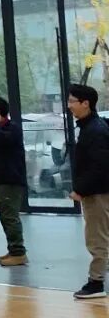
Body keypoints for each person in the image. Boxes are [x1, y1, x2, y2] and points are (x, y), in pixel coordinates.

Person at [66, 84, 109, 299]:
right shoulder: (90, 127)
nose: (69, 105)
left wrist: (80, 190)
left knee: (96, 238)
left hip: (97, 193)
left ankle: (96, 283)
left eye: (72, 101)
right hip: (97, 190)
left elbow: (100, 165)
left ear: (86, 104)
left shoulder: (95, 130)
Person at [0, 96, 28, 266]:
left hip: (11, 180)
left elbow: (0, 140)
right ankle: (13, 249)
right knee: (5, 216)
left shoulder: (12, 129)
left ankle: (19, 252)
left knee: (10, 217)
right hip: (0, 180)